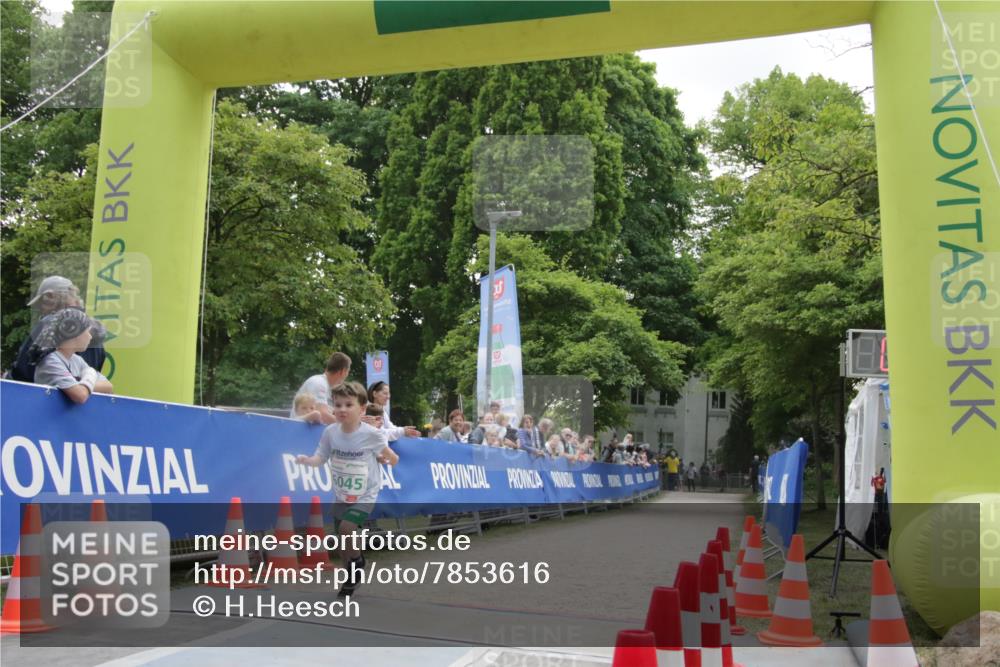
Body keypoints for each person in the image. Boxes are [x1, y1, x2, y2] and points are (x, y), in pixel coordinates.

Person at [296, 382, 398, 597]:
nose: (341, 409)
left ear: (362, 409)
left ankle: (358, 562)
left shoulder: (371, 434)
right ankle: (350, 574)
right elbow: (320, 458)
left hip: (366, 492)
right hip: (342, 492)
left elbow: (393, 458)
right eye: (338, 404)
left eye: (348, 405)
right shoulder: (330, 432)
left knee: (346, 529)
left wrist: (383, 458)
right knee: (342, 542)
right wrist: (307, 460)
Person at [10, 276, 107, 381]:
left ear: (51, 296)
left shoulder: (49, 325)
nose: (41, 309)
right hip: (83, 395)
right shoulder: (96, 339)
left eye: (41, 303)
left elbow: (23, 370)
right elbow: (96, 377)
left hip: (43, 395)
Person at [32, 308, 113, 404]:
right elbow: (80, 396)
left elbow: (108, 386)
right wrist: (90, 374)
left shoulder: (76, 360)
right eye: (87, 332)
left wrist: (80, 384)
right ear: (75, 334)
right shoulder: (50, 361)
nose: (90, 337)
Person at [289, 352, 351, 424]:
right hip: (299, 432)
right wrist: (350, 424)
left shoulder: (324, 385)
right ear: (342, 372)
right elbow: (323, 415)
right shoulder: (319, 383)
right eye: (348, 372)